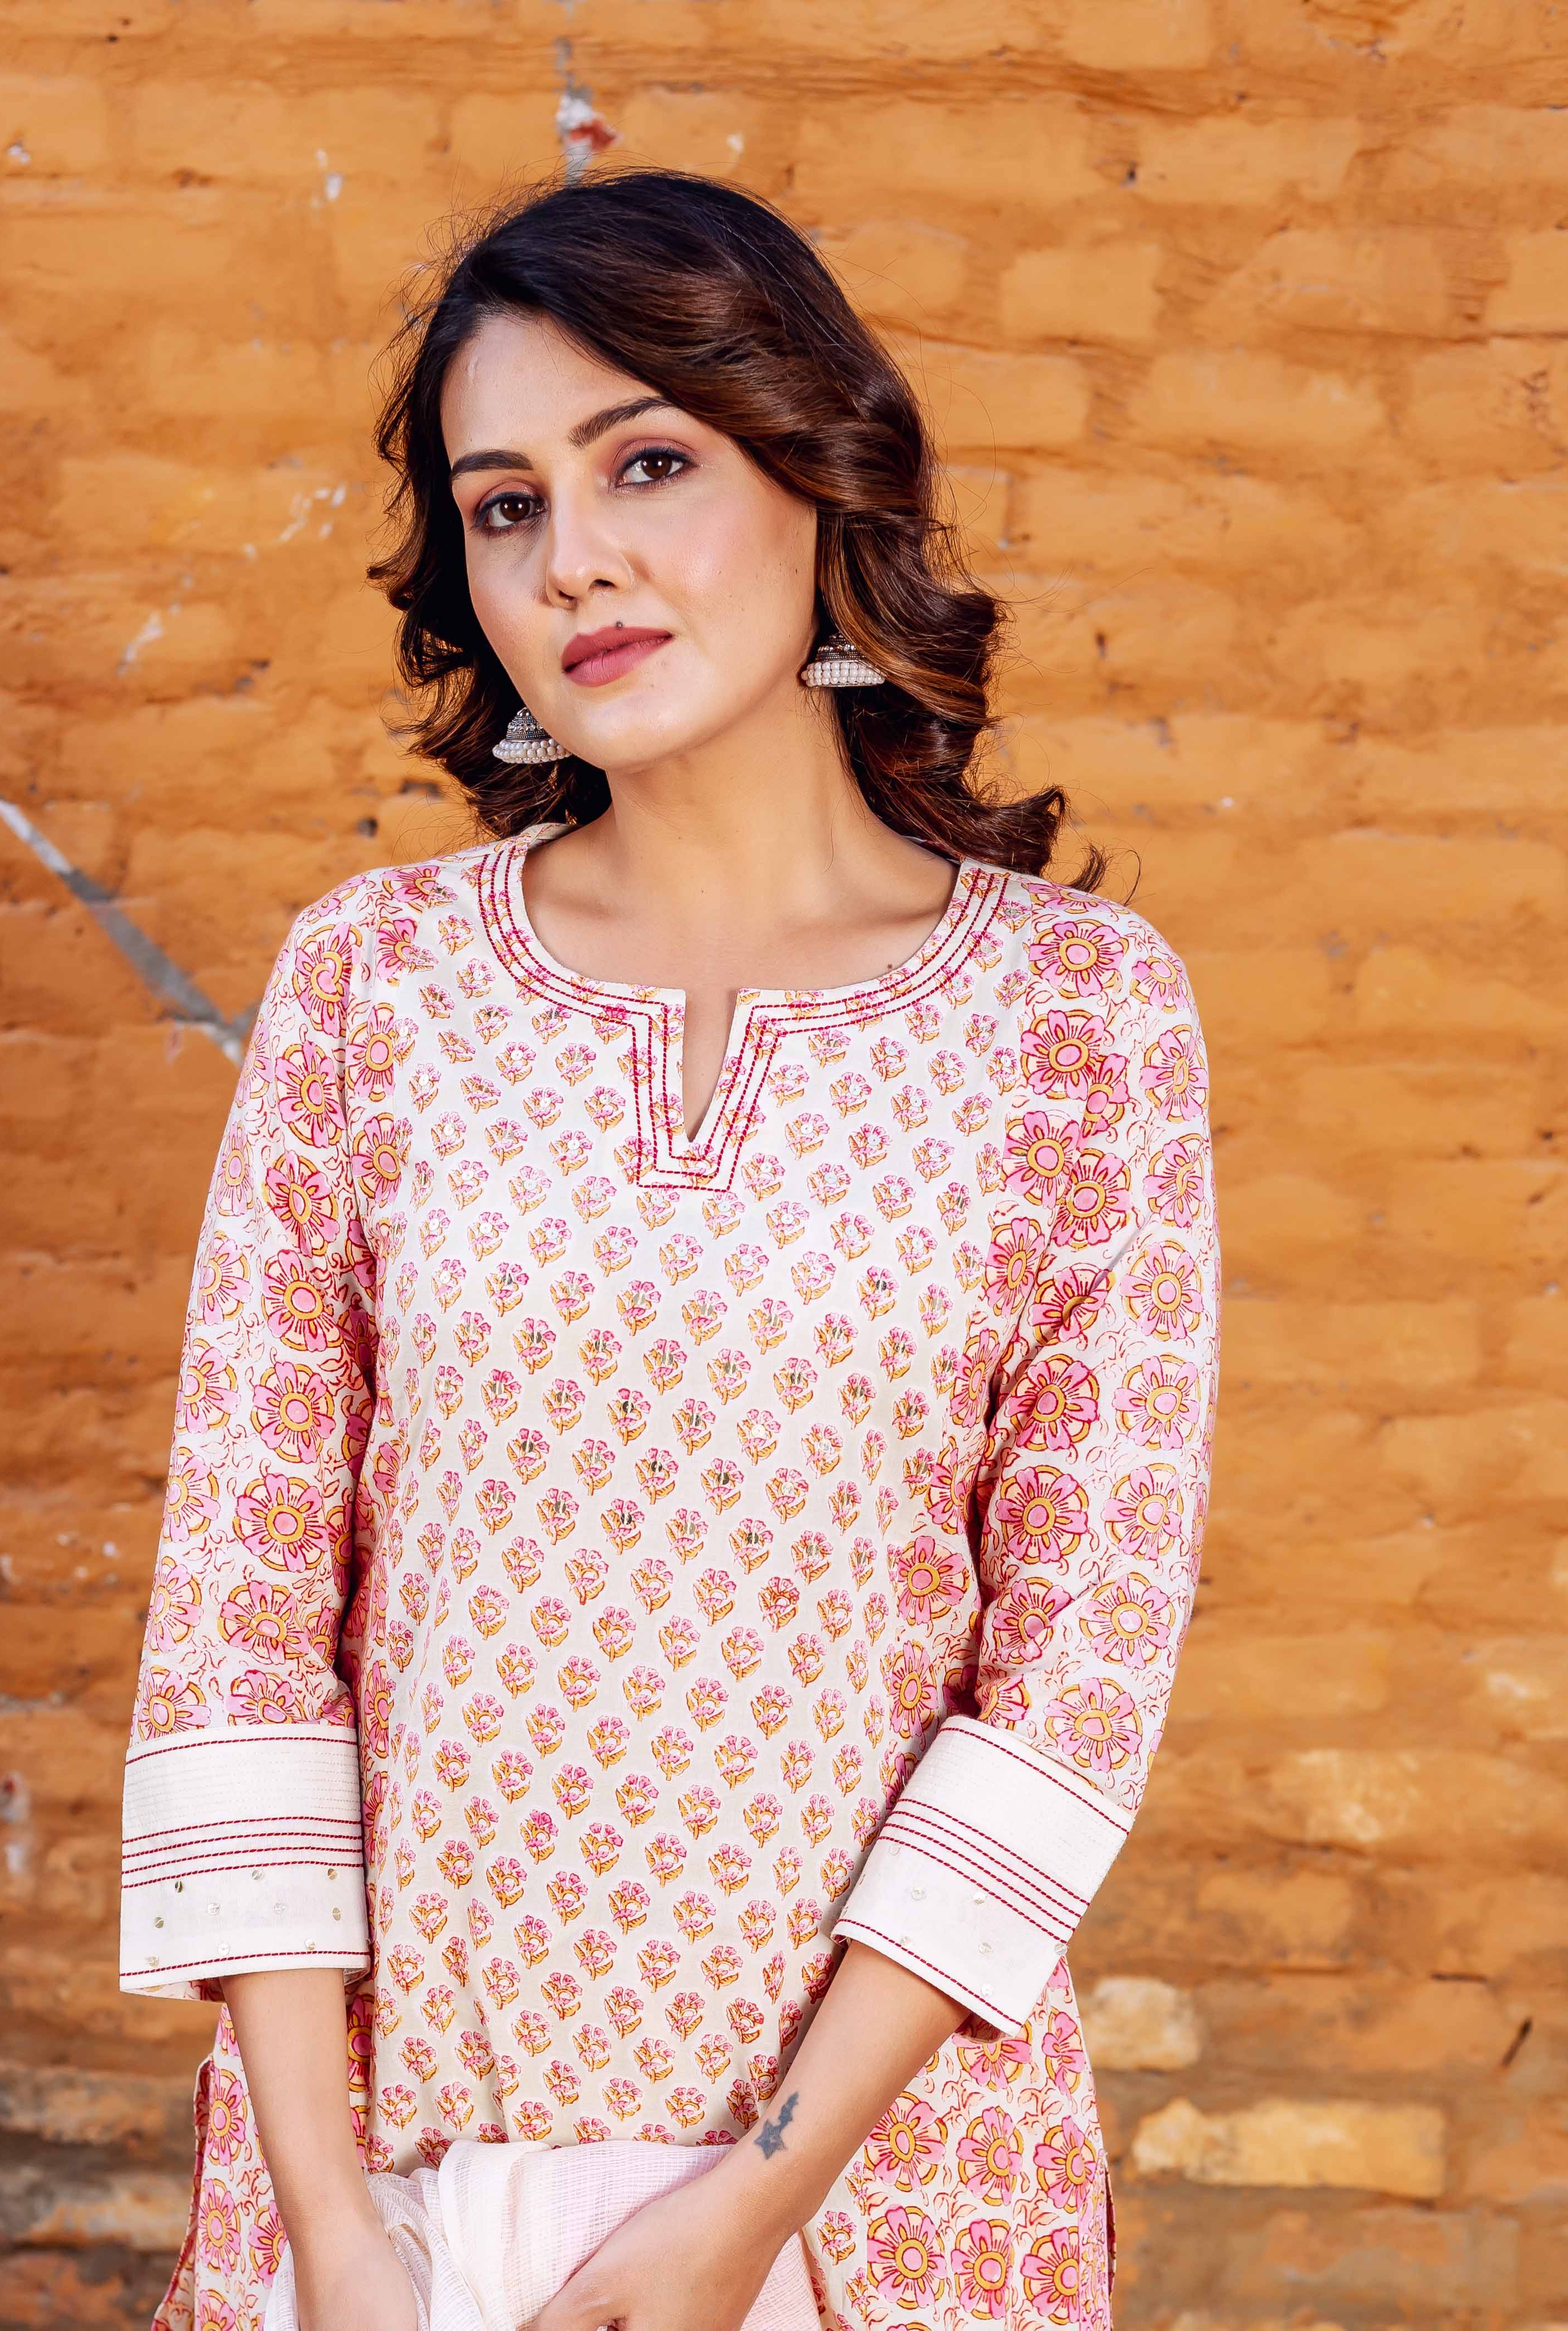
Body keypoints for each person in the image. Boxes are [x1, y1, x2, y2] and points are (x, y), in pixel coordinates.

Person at [120, 168, 1222, 2331]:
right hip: (392, 2189)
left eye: (647, 465)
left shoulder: (1080, 1015)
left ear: (816, 472)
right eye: (504, 506)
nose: (574, 560)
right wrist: (331, 2235)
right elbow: (240, 1617)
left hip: (874, 2203)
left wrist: (750, 2209)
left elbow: (1074, 1678)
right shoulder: (377, 982)